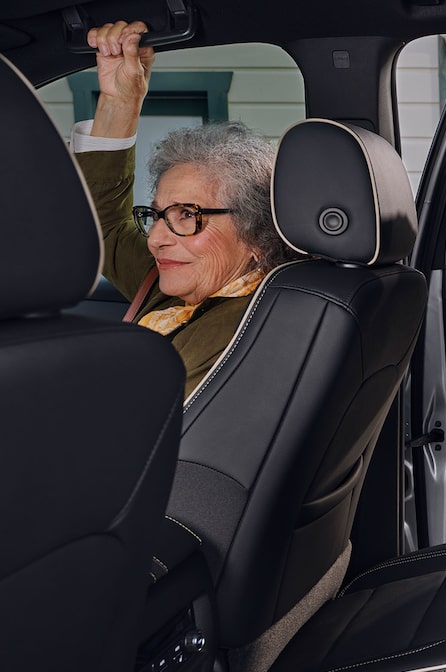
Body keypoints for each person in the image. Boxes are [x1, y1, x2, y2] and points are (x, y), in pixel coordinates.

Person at [73, 21, 295, 398]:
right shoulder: (182, 283)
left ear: (255, 233)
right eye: (157, 215)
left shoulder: (245, 333)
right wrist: (119, 102)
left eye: (187, 215)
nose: (156, 239)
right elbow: (103, 225)